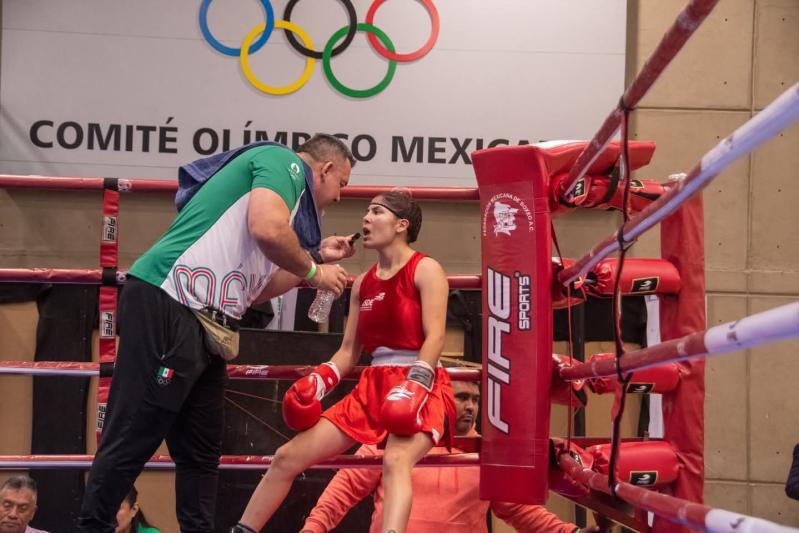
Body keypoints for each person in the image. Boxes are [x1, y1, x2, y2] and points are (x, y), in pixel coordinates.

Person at [77, 134, 357, 533]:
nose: (340, 197)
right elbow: (267, 229)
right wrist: (314, 271)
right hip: (172, 298)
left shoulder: (284, 209)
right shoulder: (284, 163)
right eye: (342, 184)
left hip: (208, 323)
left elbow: (260, 287)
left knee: (201, 450)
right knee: (135, 430)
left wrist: (312, 262)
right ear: (325, 169)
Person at [231, 190, 455, 533]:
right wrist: (322, 378)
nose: (366, 218)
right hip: (372, 388)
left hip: (420, 382)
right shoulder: (363, 283)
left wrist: (416, 383)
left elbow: (435, 337)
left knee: (395, 460)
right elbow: (349, 351)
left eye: (377, 212)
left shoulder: (426, 269)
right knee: (287, 456)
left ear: (401, 225)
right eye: (367, 211)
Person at [300, 380, 588, 533]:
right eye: (462, 397)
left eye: (475, 400)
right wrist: (313, 528)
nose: (470, 407)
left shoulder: (487, 452)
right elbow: (344, 488)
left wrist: (569, 532)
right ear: (441, 398)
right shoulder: (394, 441)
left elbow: (521, 511)